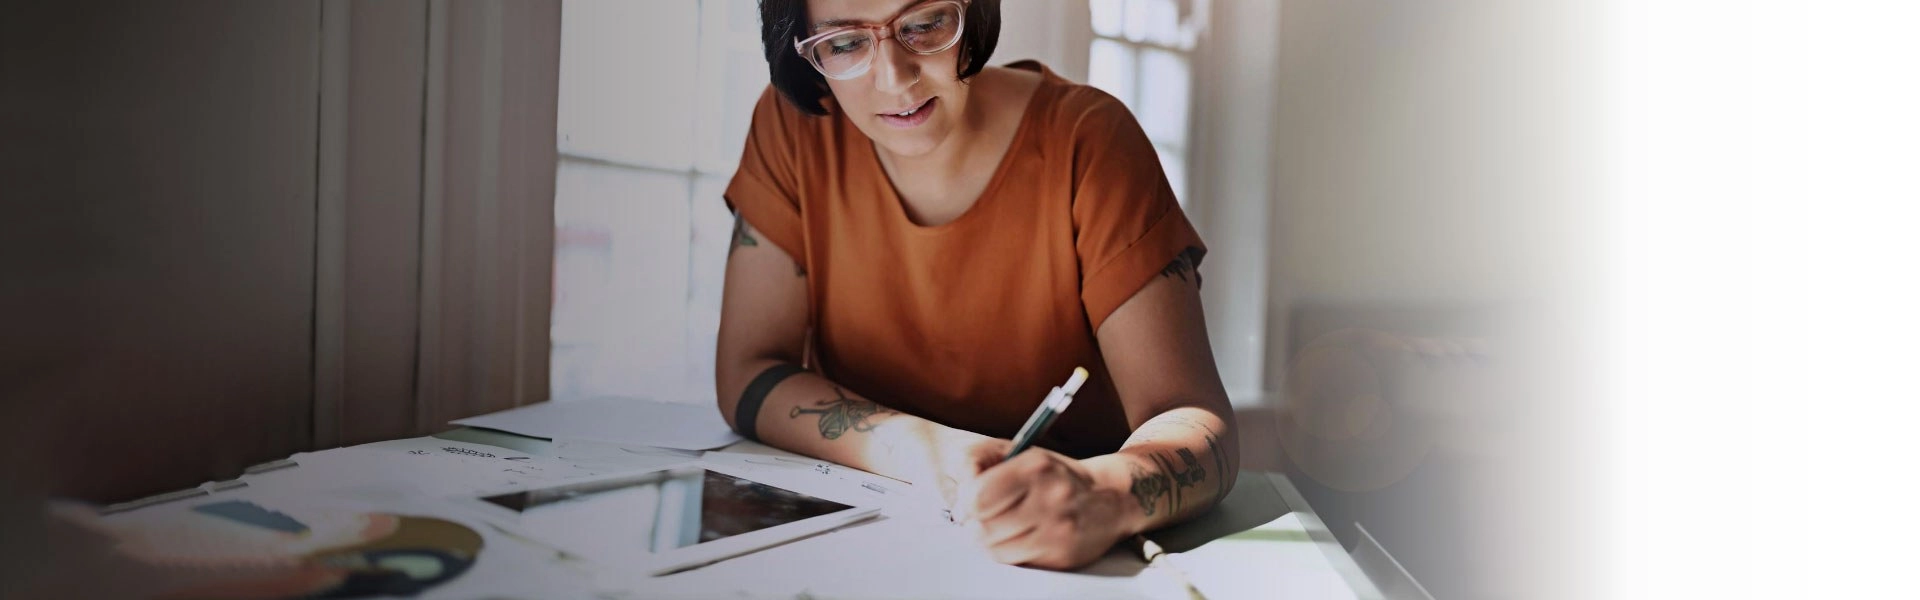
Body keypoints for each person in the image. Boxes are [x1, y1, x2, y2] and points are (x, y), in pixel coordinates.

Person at [715, 0, 1237, 570]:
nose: (895, 78)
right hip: (861, 551)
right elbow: (749, 370)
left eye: (923, 25)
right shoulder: (796, 125)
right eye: (843, 44)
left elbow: (1193, 417)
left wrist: (1106, 493)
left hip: (1065, 558)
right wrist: (933, 453)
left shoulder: (1090, 143)